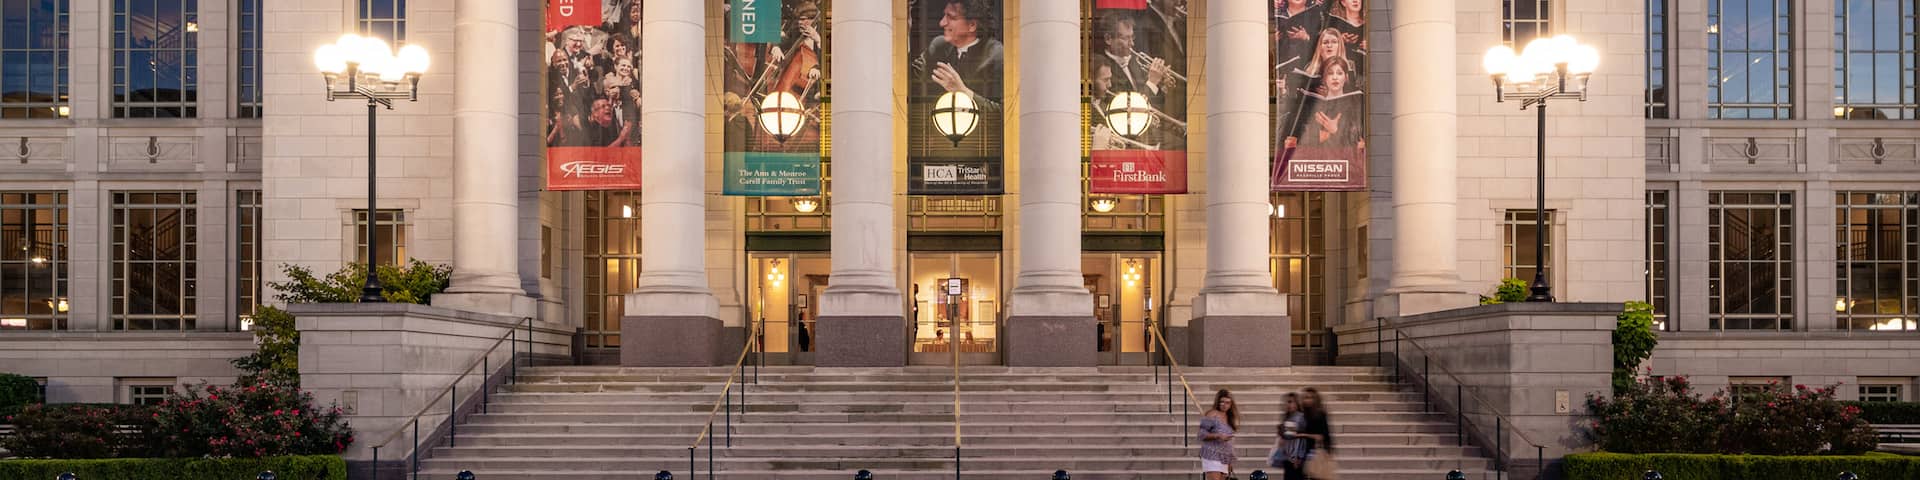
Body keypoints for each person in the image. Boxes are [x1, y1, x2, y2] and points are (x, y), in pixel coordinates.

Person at [911, 0, 1005, 112]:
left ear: (972, 25)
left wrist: (962, 91)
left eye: (951, 17)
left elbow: (1003, 112)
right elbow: (907, 80)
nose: (942, 23)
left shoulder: (997, 55)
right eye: (944, 15)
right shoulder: (938, 46)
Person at [1294, 387, 1336, 479]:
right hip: (1301, 452)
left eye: (1311, 397)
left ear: (1316, 399)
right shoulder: (1300, 414)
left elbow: (1324, 435)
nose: (1308, 400)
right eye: (1306, 397)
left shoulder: (1320, 414)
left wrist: (1328, 451)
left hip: (1314, 451)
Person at [1198, 389, 1239, 480]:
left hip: (1224, 457)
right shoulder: (1212, 414)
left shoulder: (1230, 418)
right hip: (1211, 454)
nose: (1224, 405)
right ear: (1218, 402)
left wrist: (1230, 462)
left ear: (1231, 404)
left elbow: (1230, 443)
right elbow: (1201, 434)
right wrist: (1218, 435)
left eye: (1228, 402)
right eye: (1222, 402)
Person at [1274, 393, 1306, 479]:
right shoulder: (1288, 417)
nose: (1288, 404)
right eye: (1287, 402)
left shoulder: (1300, 417)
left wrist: (1298, 457)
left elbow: (1301, 439)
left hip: (1295, 459)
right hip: (1288, 457)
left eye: (1291, 402)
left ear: (1297, 403)